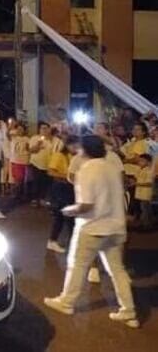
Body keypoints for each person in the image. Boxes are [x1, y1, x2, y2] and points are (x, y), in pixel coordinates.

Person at [44, 135, 138, 328]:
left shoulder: (87, 170)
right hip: (116, 226)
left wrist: (69, 210)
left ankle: (66, 302)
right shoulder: (111, 166)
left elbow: (86, 205)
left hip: (93, 227)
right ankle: (129, 311)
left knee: (77, 265)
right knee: (117, 270)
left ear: (85, 150)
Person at [46, 136, 80, 253]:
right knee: (62, 216)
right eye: (74, 146)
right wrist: (67, 177)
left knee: (69, 217)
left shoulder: (75, 157)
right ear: (67, 145)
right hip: (61, 188)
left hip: (70, 188)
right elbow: (50, 171)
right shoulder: (59, 156)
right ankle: (53, 241)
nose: (76, 148)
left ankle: (63, 242)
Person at [28, 122, 53, 207]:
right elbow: (31, 150)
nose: (44, 130)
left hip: (47, 165)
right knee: (36, 182)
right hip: (36, 164)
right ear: (39, 129)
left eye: (46, 128)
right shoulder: (35, 138)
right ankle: (35, 199)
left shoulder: (51, 140)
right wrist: (38, 145)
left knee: (45, 183)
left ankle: (42, 198)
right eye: (42, 128)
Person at [8, 122, 30, 202]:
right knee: (18, 180)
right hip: (15, 161)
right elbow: (7, 134)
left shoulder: (27, 139)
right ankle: (15, 195)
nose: (20, 131)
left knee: (22, 180)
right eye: (18, 129)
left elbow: (28, 149)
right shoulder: (13, 137)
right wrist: (10, 127)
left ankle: (19, 195)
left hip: (24, 161)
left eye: (21, 129)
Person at [133, 154, 154, 229]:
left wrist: (137, 184)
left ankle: (147, 224)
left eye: (142, 161)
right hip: (141, 194)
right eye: (139, 161)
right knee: (144, 209)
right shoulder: (140, 169)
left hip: (146, 194)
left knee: (146, 210)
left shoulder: (150, 170)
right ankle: (147, 223)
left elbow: (149, 183)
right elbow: (136, 177)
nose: (139, 162)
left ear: (148, 162)